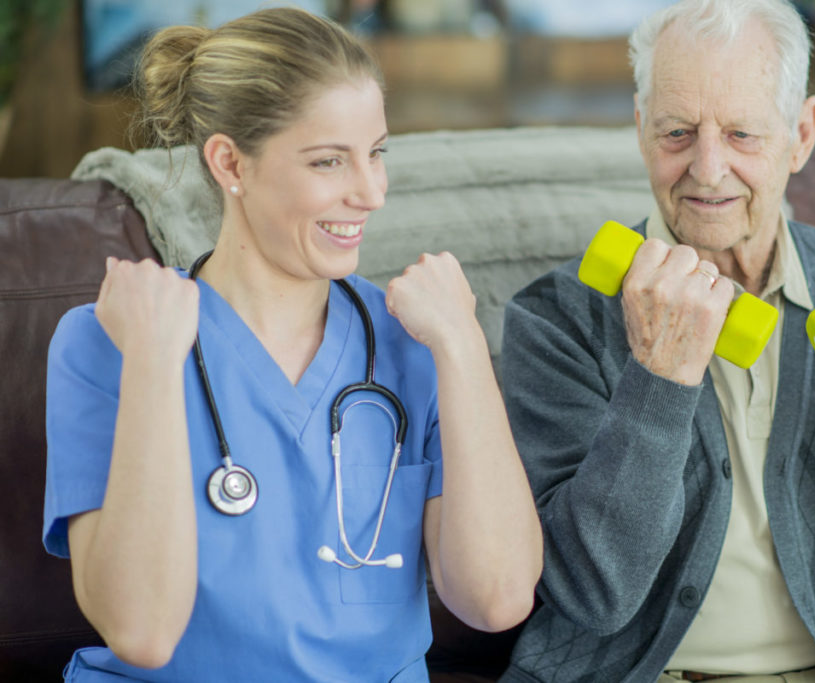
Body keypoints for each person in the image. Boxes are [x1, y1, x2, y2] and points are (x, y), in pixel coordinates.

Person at [498, 1, 815, 682]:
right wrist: (661, 373)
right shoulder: (558, 317)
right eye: (677, 132)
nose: (708, 170)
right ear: (638, 126)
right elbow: (593, 593)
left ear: (801, 134)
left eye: (742, 134)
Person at [42, 8, 542, 682]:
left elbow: (498, 598)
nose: (371, 192)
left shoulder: (416, 342)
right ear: (229, 162)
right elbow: (142, 632)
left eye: (377, 153)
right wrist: (157, 366)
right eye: (329, 160)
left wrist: (463, 343)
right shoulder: (107, 343)